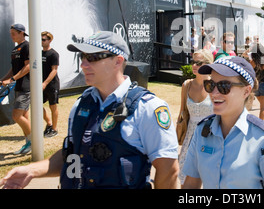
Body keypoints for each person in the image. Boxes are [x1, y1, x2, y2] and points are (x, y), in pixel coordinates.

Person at [0, 31, 179, 189]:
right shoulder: (82, 104)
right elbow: (72, 154)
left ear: (118, 61)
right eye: (83, 57)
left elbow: (168, 171)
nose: (84, 64)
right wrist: (31, 170)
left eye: (93, 58)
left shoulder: (147, 107)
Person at [181, 56, 264, 189]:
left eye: (224, 86)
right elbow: (190, 185)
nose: (214, 93)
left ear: (246, 91)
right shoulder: (202, 131)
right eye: (211, 85)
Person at [177, 49, 214, 186]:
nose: (194, 66)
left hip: (211, 136)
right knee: (185, 180)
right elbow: (182, 112)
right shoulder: (187, 85)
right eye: (193, 62)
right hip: (190, 137)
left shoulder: (215, 85)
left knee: (210, 179)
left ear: (208, 64)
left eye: (198, 63)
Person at [0, 24, 31, 155]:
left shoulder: (27, 46)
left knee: (16, 115)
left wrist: (12, 79)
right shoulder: (15, 49)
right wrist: (3, 79)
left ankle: (34, 141)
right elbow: (14, 68)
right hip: (18, 86)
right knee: (23, 116)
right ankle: (28, 144)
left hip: (26, 86)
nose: (11, 36)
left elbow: (28, 66)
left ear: (21, 33)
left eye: (13, 33)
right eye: (10, 33)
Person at [41, 31, 60, 138]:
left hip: (52, 84)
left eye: (44, 40)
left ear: (50, 40)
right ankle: (49, 123)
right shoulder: (39, 53)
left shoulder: (54, 54)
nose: (41, 42)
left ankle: (54, 129)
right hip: (41, 84)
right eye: (41, 40)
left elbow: (54, 70)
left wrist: (45, 83)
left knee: (53, 106)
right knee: (37, 105)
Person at [250, 44, 264, 123]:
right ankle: (260, 126)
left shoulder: (252, 62)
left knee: (262, 106)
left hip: (256, 86)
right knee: (263, 108)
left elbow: (250, 72)